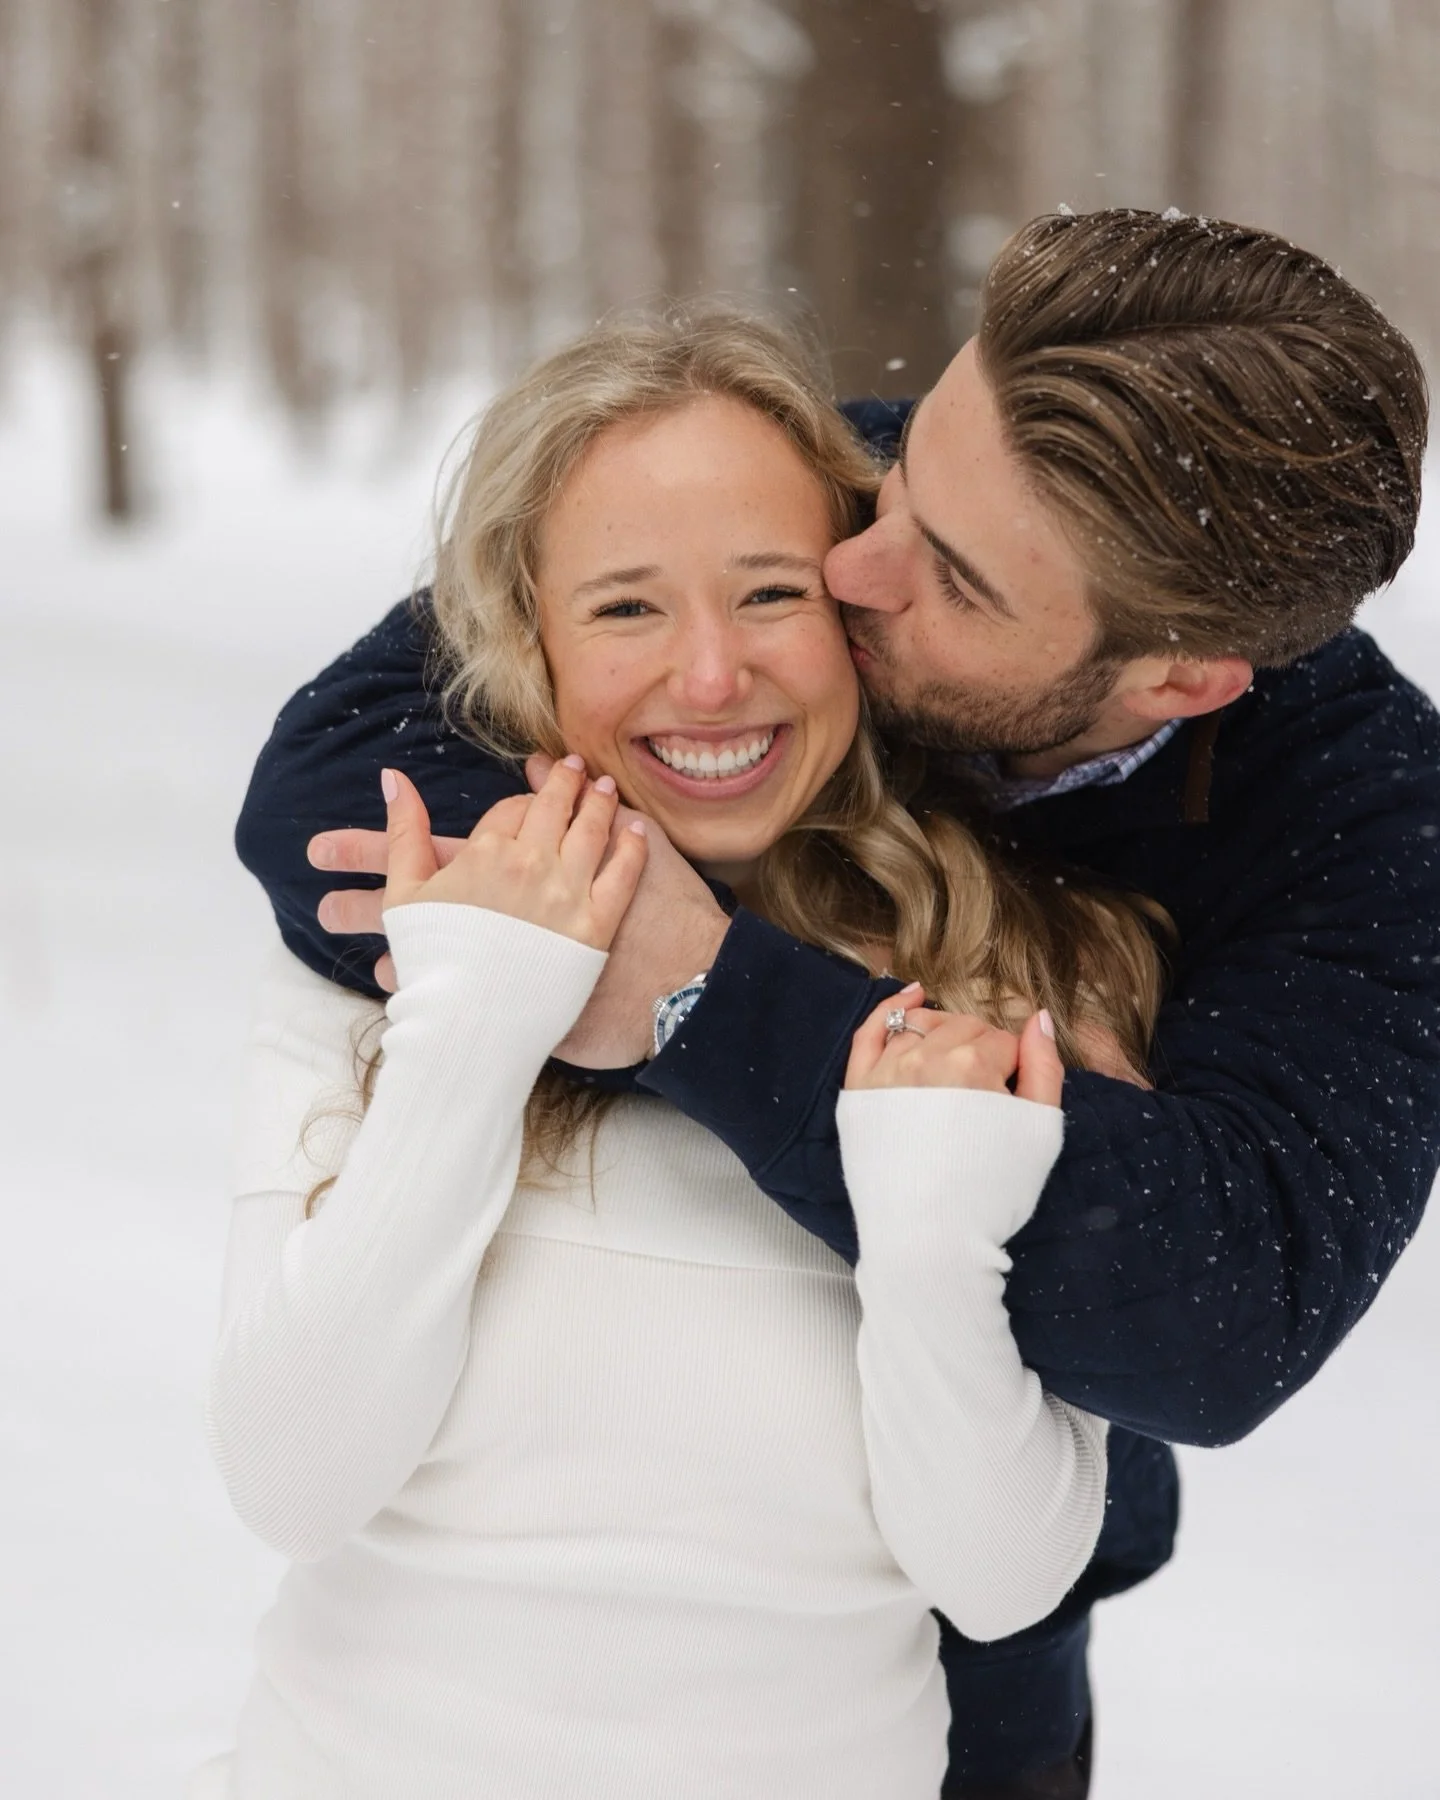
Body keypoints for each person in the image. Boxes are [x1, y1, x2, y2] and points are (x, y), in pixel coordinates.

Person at [233, 209, 1440, 1797]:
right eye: (904, 472)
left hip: (967, 1641)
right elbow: (336, 786)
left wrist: (705, 992)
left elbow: (1212, 1315)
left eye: (944, 572)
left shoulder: (1367, 828)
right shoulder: (887, 491)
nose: (850, 557)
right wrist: (851, 1033)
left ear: (1185, 678)